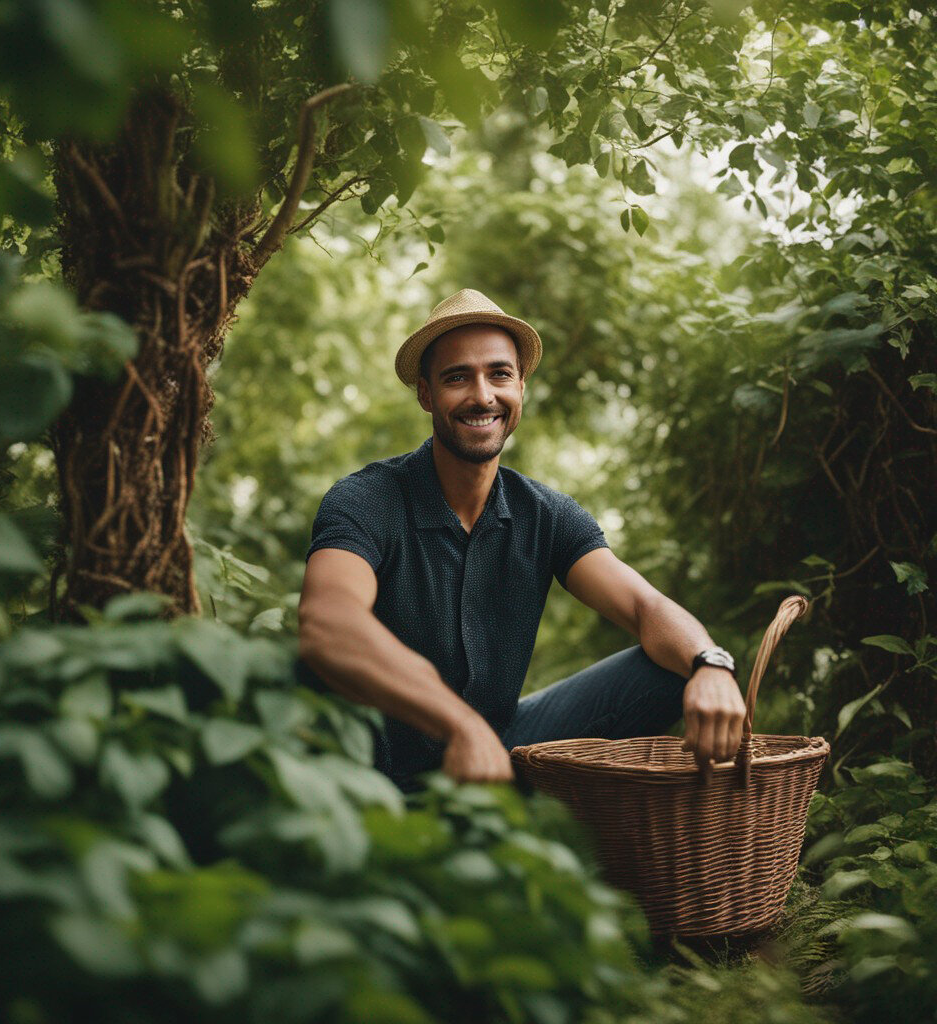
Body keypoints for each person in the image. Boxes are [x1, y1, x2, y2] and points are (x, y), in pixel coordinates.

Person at [297, 288, 746, 792]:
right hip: (371, 774)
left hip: (497, 753)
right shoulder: (367, 499)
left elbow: (644, 606)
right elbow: (327, 622)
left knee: (677, 668)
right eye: (457, 377)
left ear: (521, 387)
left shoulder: (545, 513)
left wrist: (711, 662)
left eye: (499, 374)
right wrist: (458, 722)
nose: (483, 396)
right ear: (426, 395)